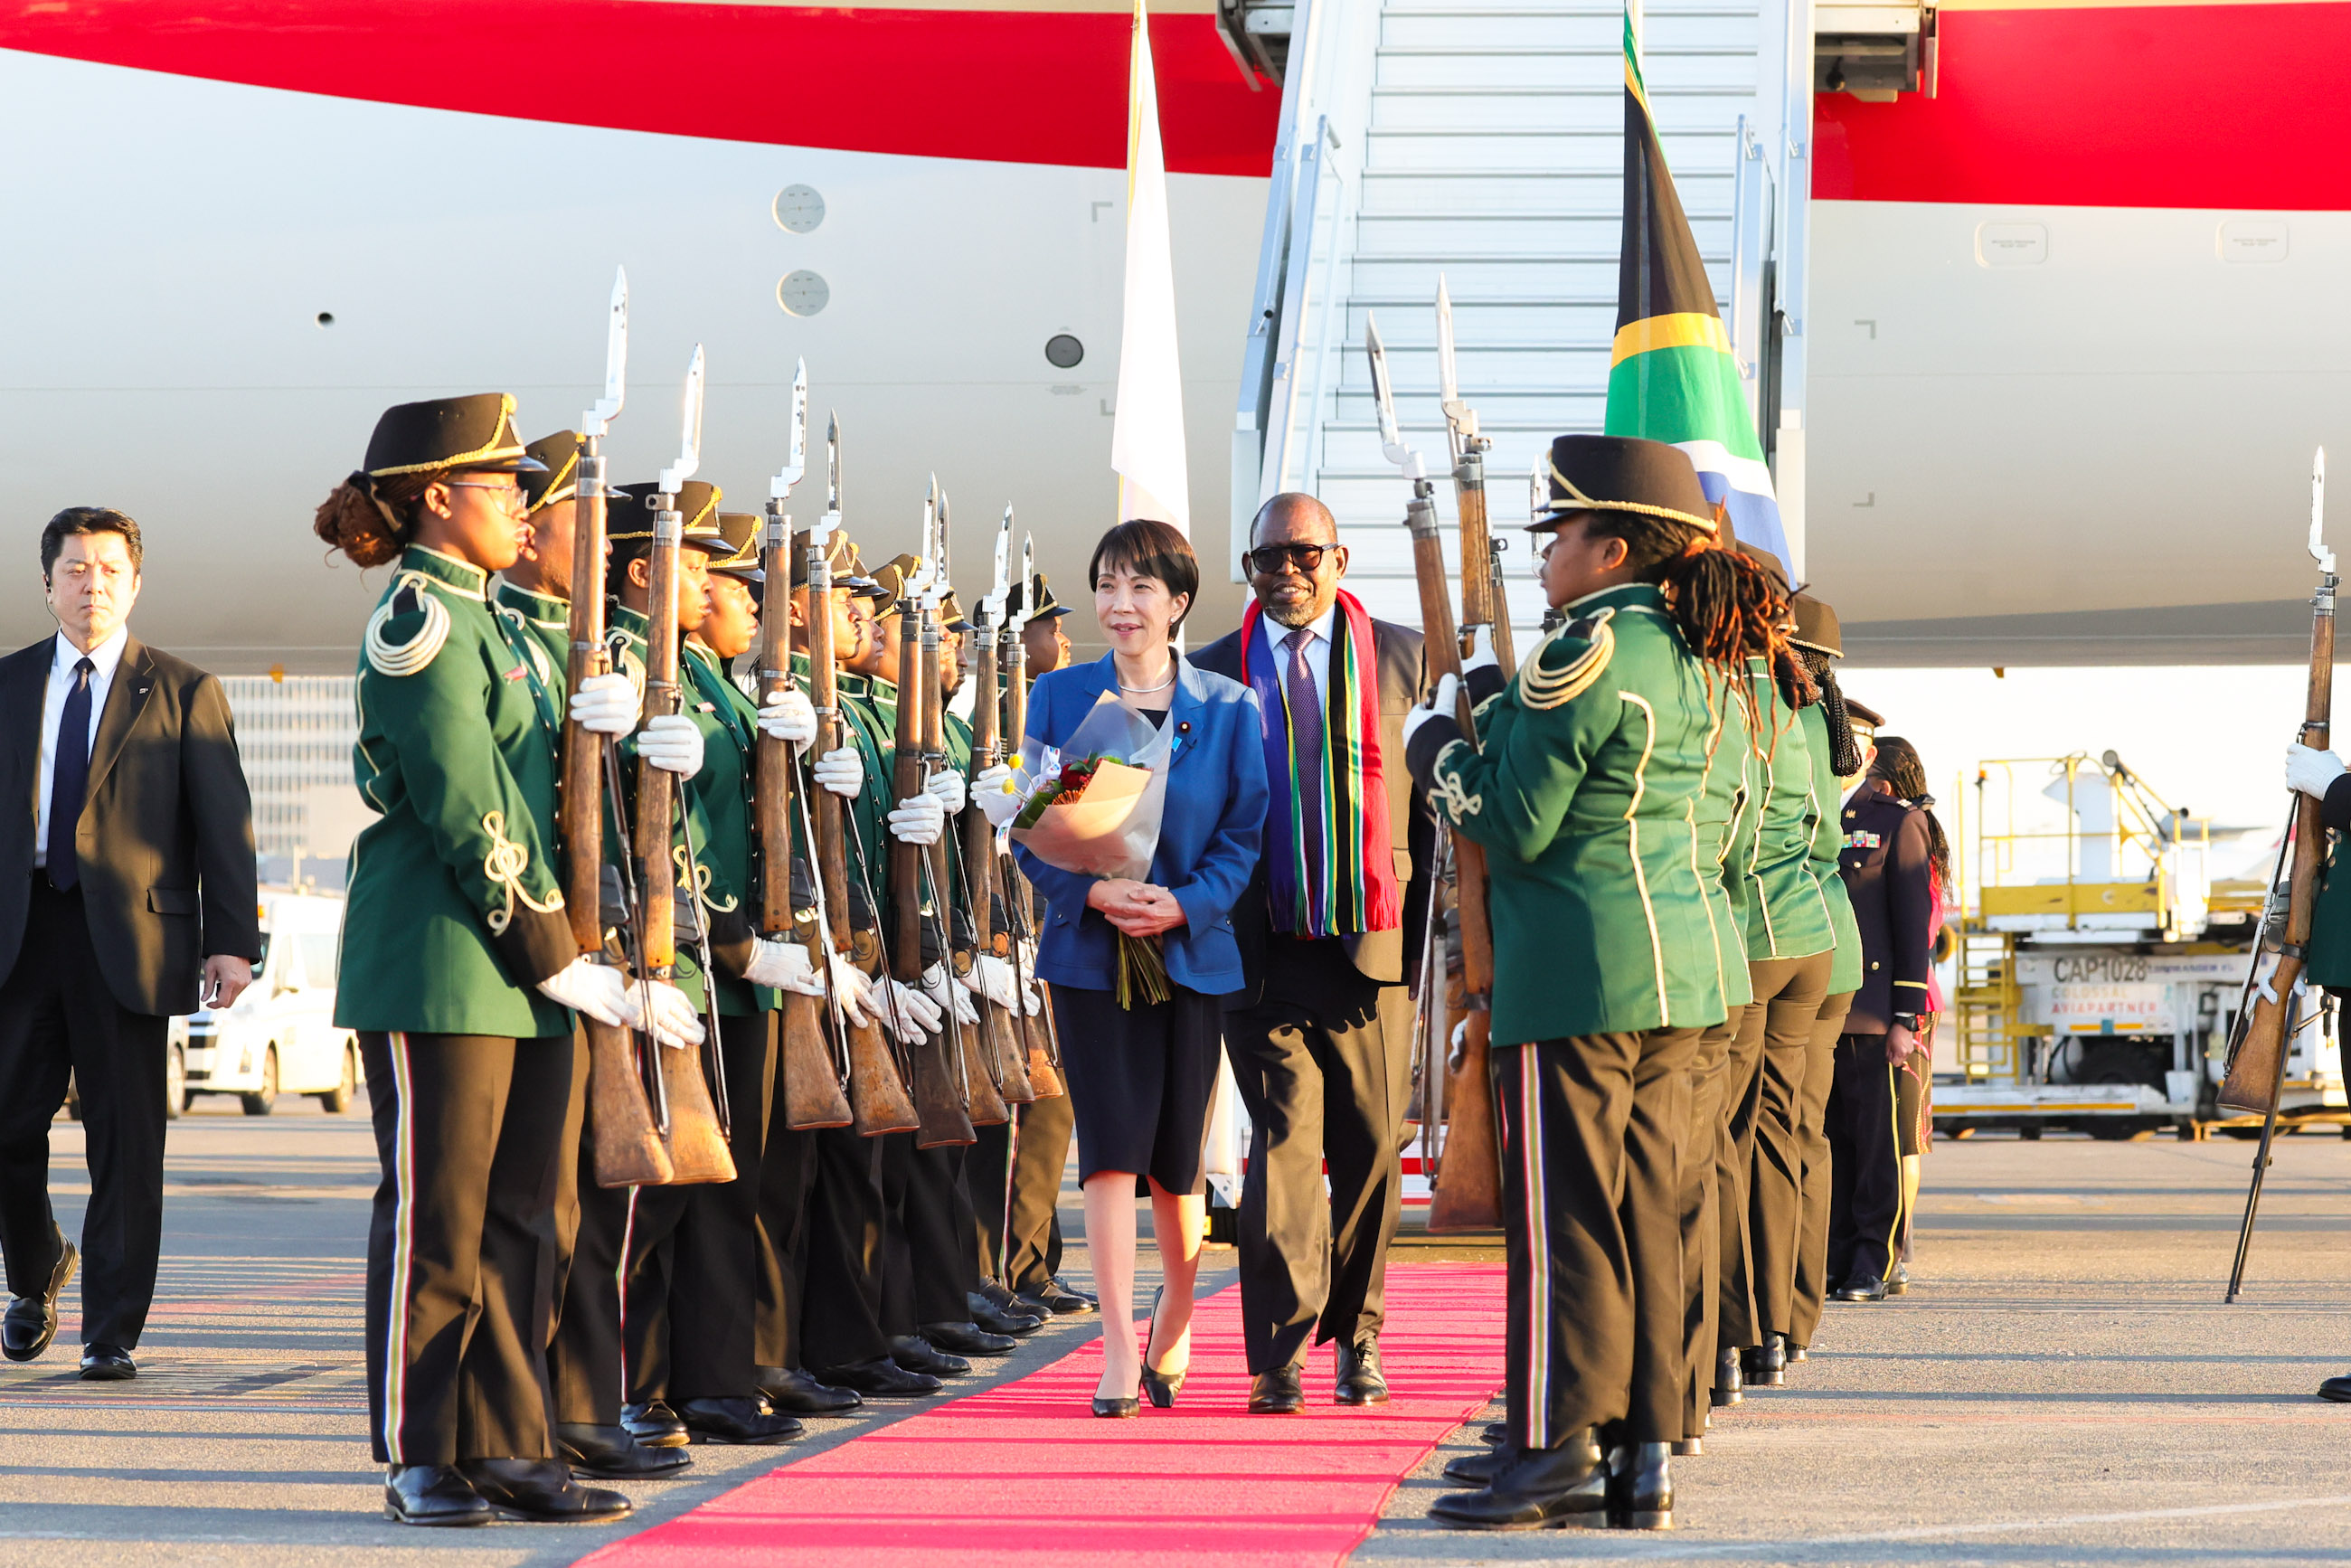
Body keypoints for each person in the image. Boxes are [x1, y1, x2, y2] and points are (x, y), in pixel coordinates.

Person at [315, 393, 702, 1526]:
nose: (527, 510)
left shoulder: (496, 625)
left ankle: (511, 1443)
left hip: (528, 966)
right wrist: (553, 952)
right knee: (442, 1220)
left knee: (527, 1219)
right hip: (443, 958)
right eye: (506, 489)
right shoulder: (419, 621)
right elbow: (464, 804)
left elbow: (551, 801)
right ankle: (419, 1451)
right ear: (441, 499)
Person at [1402, 435, 1788, 1531]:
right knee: (1652, 1219)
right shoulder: (1705, 652)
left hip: (1580, 976)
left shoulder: (1591, 649)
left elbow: (1514, 821)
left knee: (1565, 1227)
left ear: (1609, 546)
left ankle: (1549, 1446)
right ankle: (1640, 1454)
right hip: (1690, 972)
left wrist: (1439, 744)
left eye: (1556, 536)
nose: (1541, 558)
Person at [995, 519, 1267, 1417]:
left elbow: (1242, 835)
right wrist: (1092, 896)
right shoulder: (1058, 697)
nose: (1120, 605)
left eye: (1140, 588)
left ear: (1178, 602)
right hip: (1087, 953)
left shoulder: (1226, 709)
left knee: (1175, 1164)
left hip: (1186, 950)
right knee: (1108, 1156)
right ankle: (1115, 1352)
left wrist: (1183, 902)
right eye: (1108, 586)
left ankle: (1177, 1314)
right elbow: (1029, 837)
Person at [0, 506, 260, 1383]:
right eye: (75, 570)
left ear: (135, 582)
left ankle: (110, 1330)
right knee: (5, 1127)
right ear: (47, 584)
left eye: (110, 570)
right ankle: (36, 1271)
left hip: (133, 939)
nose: (93, 585)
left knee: (125, 1138)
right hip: (19, 932)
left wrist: (232, 942)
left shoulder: (184, 692)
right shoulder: (6, 686)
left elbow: (225, 829)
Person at [1190, 492, 1430, 1413]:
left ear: (1338, 559)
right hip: (1256, 943)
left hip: (1369, 943)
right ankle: (1278, 1355)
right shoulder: (1211, 670)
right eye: (1266, 560)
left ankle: (1356, 1337)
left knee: (1370, 1146)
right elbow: (1156, 789)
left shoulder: (1409, 657)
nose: (1285, 573)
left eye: (1303, 555)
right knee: (1284, 1146)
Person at [1784, 594, 1865, 1356]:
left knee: (1763, 1139)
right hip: (1832, 939)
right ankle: (1794, 1318)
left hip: (1775, 936)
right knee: (1806, 1134)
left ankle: (1762, 1318)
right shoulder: (1827, 722)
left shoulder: (1776, 713)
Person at [1828, 707, 1930, 1303]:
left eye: (1858, 741)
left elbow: (1912, 926)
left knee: (1875, 1146)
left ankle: (1873, 1259)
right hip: (1814, 1009)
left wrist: (1903, 1018)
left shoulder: (1896, 820)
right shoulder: (1808, 811)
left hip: (1869, 1010)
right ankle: (1834, 1258)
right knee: (1827, 1144)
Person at [1865, 735, 1949, 1293]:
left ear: (1887, 784)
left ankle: (1897, 1250)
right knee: (1898, 1132)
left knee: (1902, 1134)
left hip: (1910, 1003)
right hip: (1914, 998)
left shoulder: (1908, 834)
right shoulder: (1927, 837)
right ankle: (1897, 1245)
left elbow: (1919, 929)